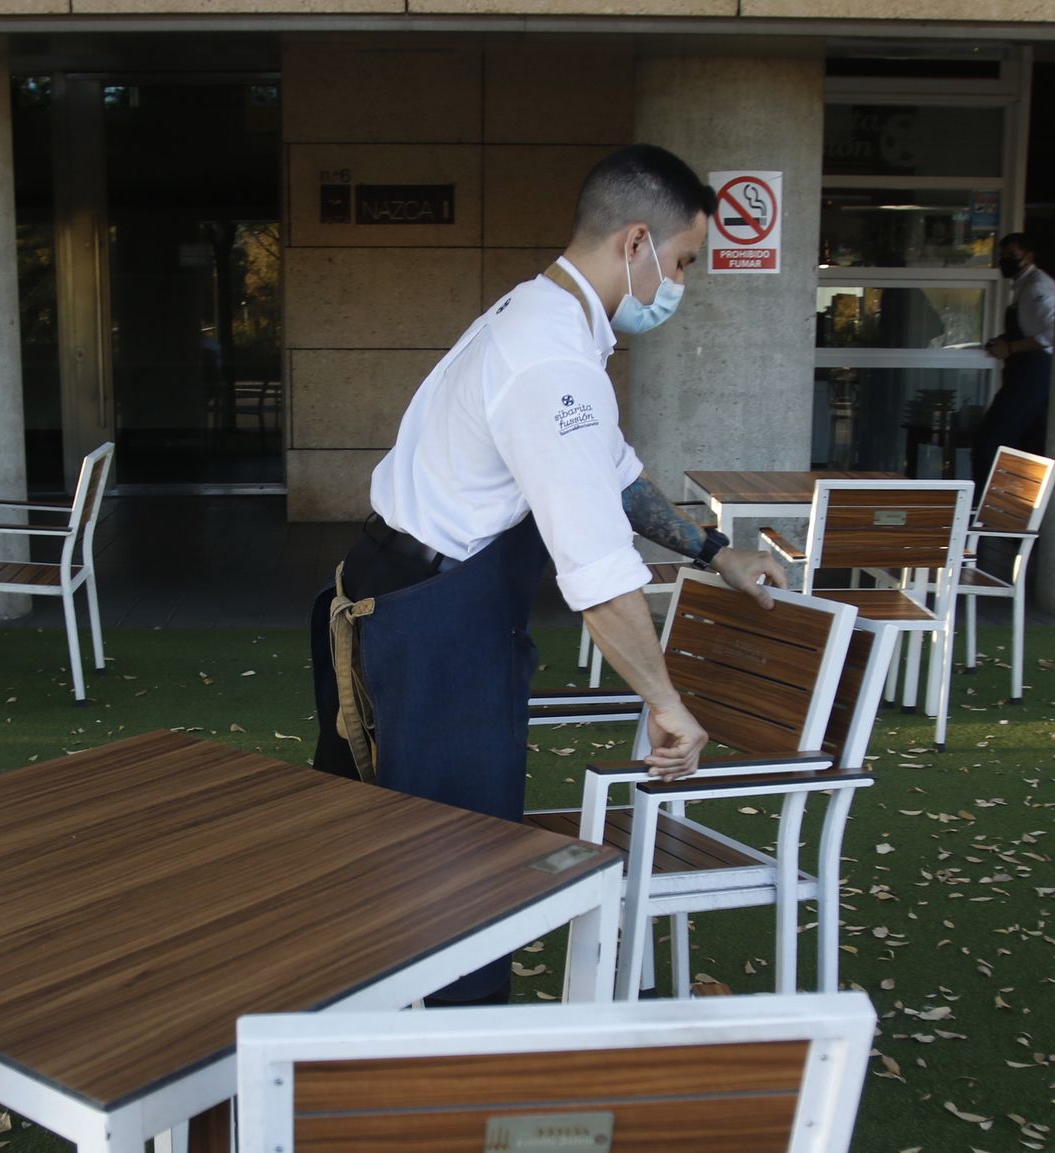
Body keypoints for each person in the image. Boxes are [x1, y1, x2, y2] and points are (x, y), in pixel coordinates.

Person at [308, 144, 787, 1003]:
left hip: (412, 601)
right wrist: (665, 701)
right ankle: (447, 1078)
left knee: (395, 868)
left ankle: (380, 1058)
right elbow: (599, 573)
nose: (683, 285)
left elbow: (615, 474)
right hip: (431, 628)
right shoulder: (552, 358)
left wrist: (716, 551)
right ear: (635, 243)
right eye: (683, 262)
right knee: (449, 882)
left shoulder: (543, 319)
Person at [975, 232, 1055, 484]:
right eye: (1001, 256)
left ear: (1029, 257)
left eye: (1011, 256)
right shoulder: (1024, 286)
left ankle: (983, 509)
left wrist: (1011, 348)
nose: (1004, 261)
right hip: (1024, 372)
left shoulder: (1037, 286)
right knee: (1020, 443)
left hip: (1033, 373)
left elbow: (1054, 331)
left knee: (992, 442)